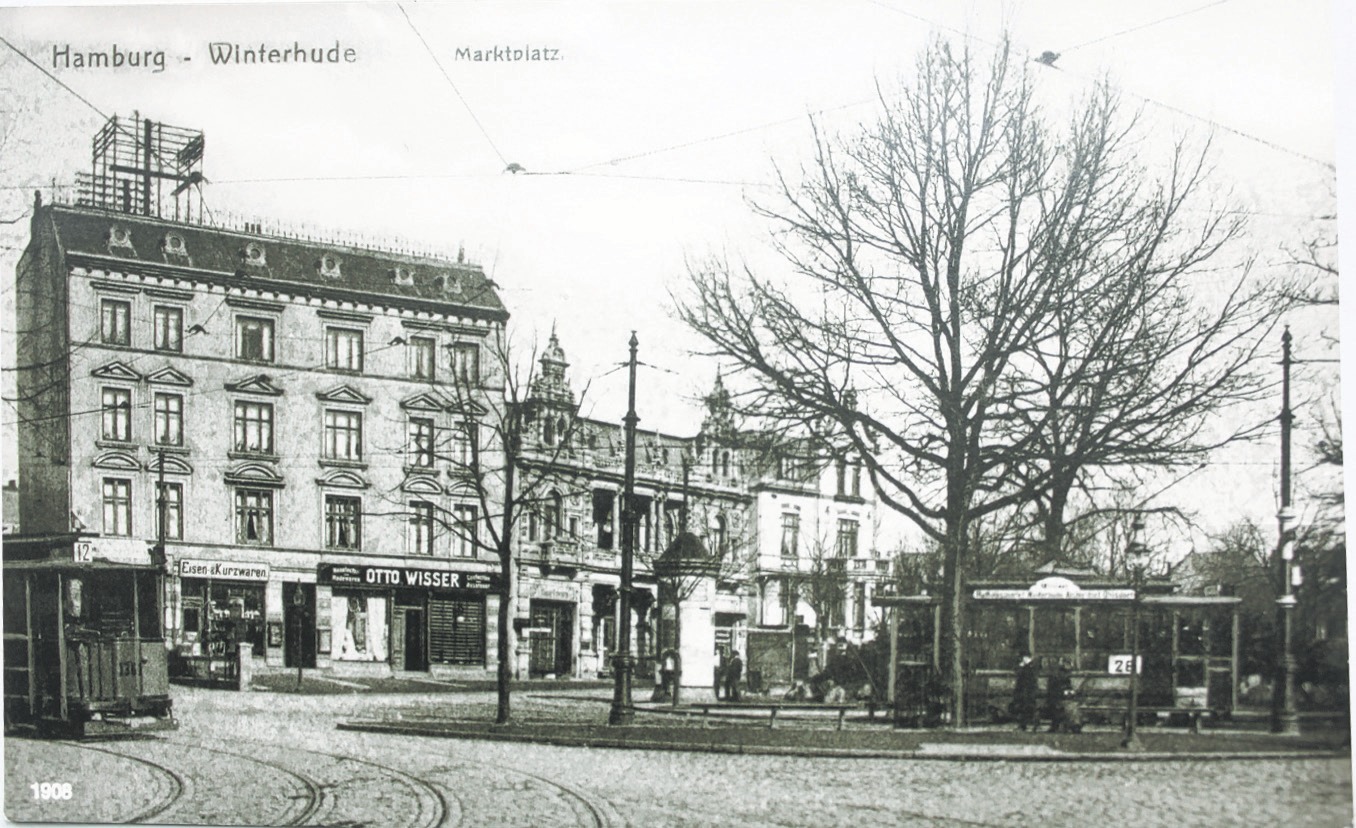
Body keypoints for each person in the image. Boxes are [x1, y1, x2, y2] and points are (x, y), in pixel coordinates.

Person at [1012, 653, 1040, 731]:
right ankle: (1026, 724)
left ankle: (1026, 724)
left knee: (1026, 708)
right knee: (1026, 708)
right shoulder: (1030, 667)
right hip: (1026, 691)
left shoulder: (1027, 668)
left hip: (1026, 691)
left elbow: (1020, 677)